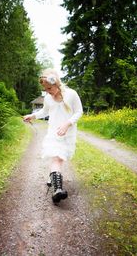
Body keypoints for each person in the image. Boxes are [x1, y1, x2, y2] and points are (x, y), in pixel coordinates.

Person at [23, 68, 83, 203]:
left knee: (60, 159)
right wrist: (32, 116)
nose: (48, 92)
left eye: (49, 88)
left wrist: (68, 123)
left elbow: (79, 112)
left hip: (68, 134)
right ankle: (58, 189)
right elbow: (44, 112)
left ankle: (53, 176)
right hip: (53, 133)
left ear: (56, 83)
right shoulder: (48, 98)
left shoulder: (71, 94)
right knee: (56, 158)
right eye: (46, 89)